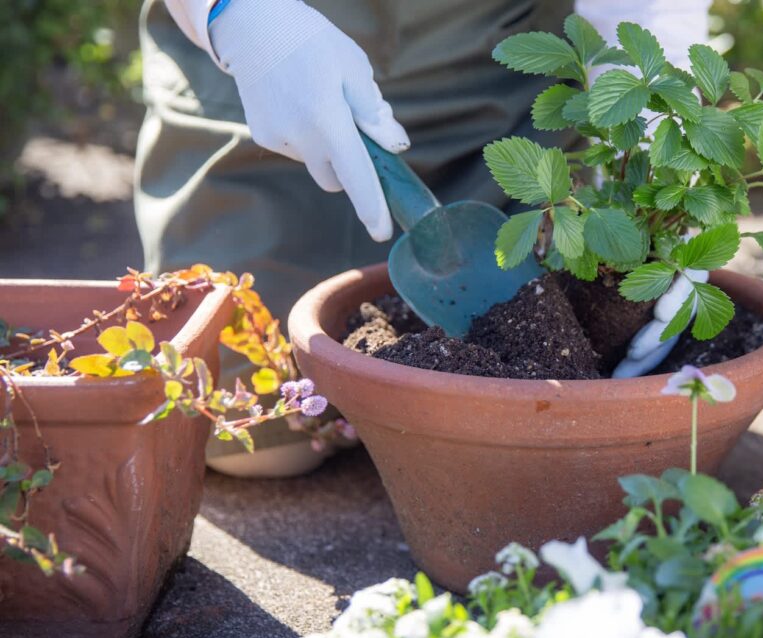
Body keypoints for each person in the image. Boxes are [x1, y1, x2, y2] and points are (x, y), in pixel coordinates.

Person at [140, 0, 711, 477]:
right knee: (256, 445)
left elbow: (646, 11)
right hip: (275, 80)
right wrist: (246, 21)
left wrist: (659, 157)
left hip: (493, 92)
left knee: (529, 431)